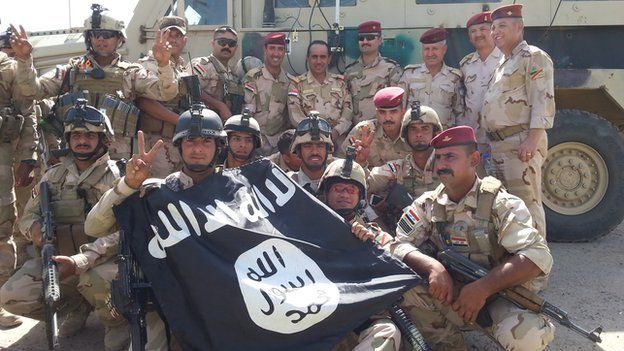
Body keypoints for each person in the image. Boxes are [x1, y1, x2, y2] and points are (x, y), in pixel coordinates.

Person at [356, 126, 555, 351]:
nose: (441, 164)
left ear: (474, 159)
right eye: (438, 157)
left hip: (499, 296)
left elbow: (536, 255)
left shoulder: (501, 203)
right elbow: (397, 245)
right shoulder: (428, 203)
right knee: (401, 285)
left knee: (528, 337)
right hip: (448, 292)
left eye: (450, 157)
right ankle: (451, 345)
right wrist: (433, 268)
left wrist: (483, 288)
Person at [84, 103, 227, 350]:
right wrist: (128, 184)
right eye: (191, 142)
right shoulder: (157, 191)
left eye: (206, 142)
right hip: (167, 296)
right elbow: (94, 227)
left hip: (225, 297)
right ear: (179, 146)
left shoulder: (236, 190)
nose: (198, 149)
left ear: (218, 148)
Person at [0, 100, 129, 350]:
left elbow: (126, 233)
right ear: (67, 140)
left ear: (103, 139)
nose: (82, 140)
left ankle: (116, 320)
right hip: (59, 261)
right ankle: (78, 306)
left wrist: (84, 260)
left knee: (96, 280)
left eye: (90, 135)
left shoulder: (118, 178)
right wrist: (34, 229)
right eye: (76, 135)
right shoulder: (52, 177)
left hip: (104, 262)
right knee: (10, 296)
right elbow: (26, 217)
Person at [9, 5, 178, 160]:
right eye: (95, 35)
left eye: (107, 35)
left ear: (119, 39)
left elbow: (165, 92)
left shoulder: (131, 73)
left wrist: (163, 64)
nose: (100, 40)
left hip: (117, 154)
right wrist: (24, 60)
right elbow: (32, 91)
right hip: (76, 153)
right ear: (89, 38)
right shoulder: (72, 70)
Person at [481, 4, 555, 236]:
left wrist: (533, 140)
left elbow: (542, 98)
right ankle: (515, 263)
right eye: (493, 28)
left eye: (502, 26)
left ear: (519, 27)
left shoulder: (533, 56)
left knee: (527, 207)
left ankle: (537, 270)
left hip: (519, 144)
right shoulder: (502, 64)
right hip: (499, 146)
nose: (495, 32)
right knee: (505, 208)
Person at [318, 158, 401, 351]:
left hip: (356, 315)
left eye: (351, 190)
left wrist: (370, 247)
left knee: (387, 332)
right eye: (339, 188)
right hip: (313, 313)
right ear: (327, 192)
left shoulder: (372, 234)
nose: (345, 195)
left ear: (360, 197)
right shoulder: (305, 227)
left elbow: (397, 255)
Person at [0, 29, 39, 328]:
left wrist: (28, 157)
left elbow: (27, 108)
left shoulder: (8, 67)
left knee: (2, 229)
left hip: (2, 159)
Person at [367, 102, 443, 228]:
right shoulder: (397, 168)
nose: (419, 134)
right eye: (413, 129)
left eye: (425, 129)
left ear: (435, 133)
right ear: (405, 135)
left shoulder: (448, 167)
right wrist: (361, 162)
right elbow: (365, 183)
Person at [136, 16, 189, 178]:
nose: (172, 40)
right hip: (156, 142)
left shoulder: (182, 68)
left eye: (177, 35)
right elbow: (143, 101)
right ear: (159, 36)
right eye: (168, 34)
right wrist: (180, 121)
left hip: (178, 141)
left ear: (184, 40)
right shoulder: (147, 64)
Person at [288, 40, 353, 148]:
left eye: (323, 57)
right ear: (307, 58)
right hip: (310, 142)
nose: (318, 61)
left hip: (338, 142)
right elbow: (295, 116)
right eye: (314, 57)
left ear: (329, 59)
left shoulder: (340, 82)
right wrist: (315, 133)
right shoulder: (297, 84)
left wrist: (337, 131)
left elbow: (348, 110)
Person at [399, 28, 463, 130]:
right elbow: (399, 108)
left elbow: (460, 112)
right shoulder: (409, 74)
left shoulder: (454, 77)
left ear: (444, 49)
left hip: (443, 136)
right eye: (426, 49)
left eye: (435, 49)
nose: (430, 54)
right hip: (415, 136)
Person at [459, 12, 502, 156]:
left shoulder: (508, 59)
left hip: (501, 137)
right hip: (474, 138)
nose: (478, 34)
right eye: (473, 31)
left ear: (493, 31)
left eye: (483, 29)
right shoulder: (465, 64)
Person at [345, 21, 402, 124]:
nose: (365, 41)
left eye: (370, 38)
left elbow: (398, 103)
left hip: (382, 130)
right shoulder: (350, 71)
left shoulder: (391, 69)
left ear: (380, 40)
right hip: (356, 130)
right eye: (361, 38)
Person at [243, 32, 291, 156]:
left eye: (280, 49)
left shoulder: (289, 81)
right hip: (256, 141)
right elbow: (248, 112)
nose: (276, 53)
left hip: (278, 145)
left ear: (284, 52)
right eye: (272, 48)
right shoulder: (252, 77)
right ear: (265, 49)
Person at [339, 87, 411, 168]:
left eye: (393, 112)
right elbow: (341, 163)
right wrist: (360, 162)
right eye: (382, 112)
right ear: (376, 113)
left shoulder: (412, 134)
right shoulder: (363, 131)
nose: (387, 118)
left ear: (403, 112)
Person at [191, 25, 244, 119]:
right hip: (203, 122)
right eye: (222, 42)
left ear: (236, 47)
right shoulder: (202, 65)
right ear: (213, 43)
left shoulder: (233, 75)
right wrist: (220, 106)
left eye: (231, 44)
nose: (227, 46)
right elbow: (191, 89)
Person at [288, 113, 334, 195]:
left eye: (320, 146)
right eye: (307, 146)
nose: (314, 152)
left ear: (327, 150)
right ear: (298, 151)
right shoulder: (287, 182)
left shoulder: (339, 183)